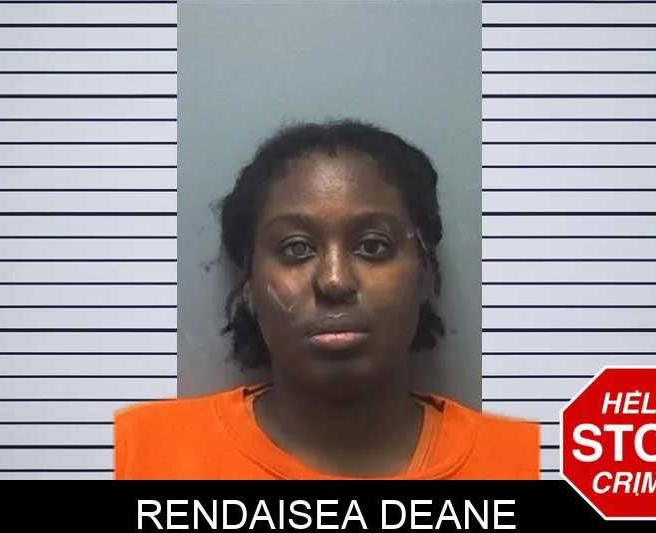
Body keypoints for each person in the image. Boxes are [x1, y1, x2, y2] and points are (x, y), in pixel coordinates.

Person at [114, 119, 540, 480]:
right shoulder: (137, 454)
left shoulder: (529, 462)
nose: (335, 281)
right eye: (296, 249)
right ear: (249, 284)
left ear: (424, 274)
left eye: (372, 246)